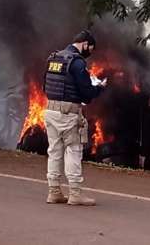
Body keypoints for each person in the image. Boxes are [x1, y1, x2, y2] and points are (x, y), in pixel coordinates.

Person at [43, 30, 106, 205]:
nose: (89, 52)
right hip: (68, 114)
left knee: (54, 151)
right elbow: (86, 95)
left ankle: (54, 191)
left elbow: (44, 87)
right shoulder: (77, 63)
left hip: (50, 111)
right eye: (90, 48)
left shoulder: (53, 58)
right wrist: (99, 88)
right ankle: (75, 194)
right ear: (84, 44)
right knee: (73, 151)